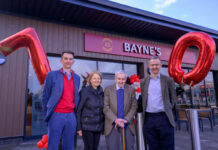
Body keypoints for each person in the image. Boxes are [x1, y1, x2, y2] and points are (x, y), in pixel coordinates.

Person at [42, 51, 80, 150]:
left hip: (71, 115)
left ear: (73, 61)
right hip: (56, 114)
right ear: (61, 60)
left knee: (69, 145)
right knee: (53, 145)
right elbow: (45, 96)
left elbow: (75, 96)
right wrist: (47, 114)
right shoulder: (52, 75)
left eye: (70, 59)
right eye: (66, 58)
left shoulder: (77, 78)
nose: (68, 61)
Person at [140, 56, 176, 150]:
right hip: (149, 119)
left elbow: (173, 99)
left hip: (164, 117)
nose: (154, 67)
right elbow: (143, 99)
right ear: (149, 66)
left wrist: (167, 108)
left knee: (167, 146)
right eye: (152, 65)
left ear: (161, 65)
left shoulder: (168, 80)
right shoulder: (143, 82)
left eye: (156, 64)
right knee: (152, 146)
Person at [103, 70, 137, 150]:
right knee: (113, 147)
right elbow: (106, 107)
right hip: (112, 124)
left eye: (123, 79)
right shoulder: (108, 89)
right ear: (115, 79)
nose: (121, 81)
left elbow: (134, 106)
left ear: (126, 79)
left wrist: (126, 119)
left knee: (129, 147)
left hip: (127, 124)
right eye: (119, 79)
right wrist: (116, 120)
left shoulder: (131, 89)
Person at [76, 71, 104, 150]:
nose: (97, 80)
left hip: (98, 126)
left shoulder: (102, 92)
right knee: (89, 148)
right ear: (90, 80)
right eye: (94, 78)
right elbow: (79, 110)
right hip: (87, 126)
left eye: (98, 78)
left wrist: (103, 126)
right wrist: (79, 127)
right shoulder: (85, 91)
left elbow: (103, 110)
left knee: (95, 148)